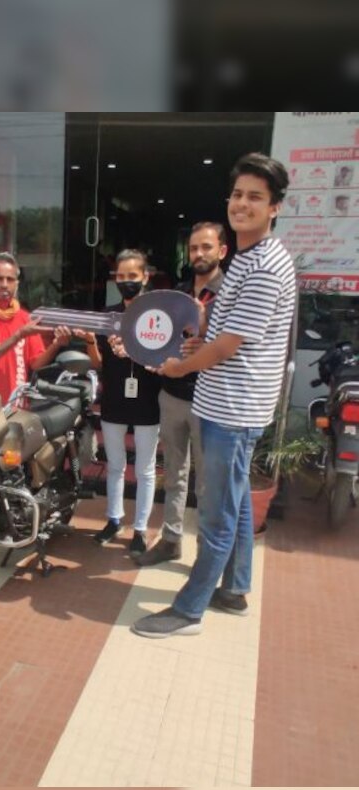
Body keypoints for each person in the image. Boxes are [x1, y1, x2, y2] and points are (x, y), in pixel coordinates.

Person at [133, 152, 297, 638]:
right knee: (238, 502)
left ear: (275, 208)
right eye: (238, 194)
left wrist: (181, 364)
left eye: (256, 197)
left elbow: (227, 346)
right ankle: (234, 588)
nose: (243, 204)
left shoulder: (266, 265)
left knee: (217, 513)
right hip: (225, 404)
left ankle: (189, 609)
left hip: (233, 409)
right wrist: (183, 337)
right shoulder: (247, 258)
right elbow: (216, 329)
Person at [135, 222, 227, 566]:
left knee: (206, 482)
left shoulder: (231, 292)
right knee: (174, 471)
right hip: (172, 394)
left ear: (222, 251)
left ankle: (206, 553)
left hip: (210, 399)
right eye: (193, 248)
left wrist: (205, 330)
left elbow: (229, 347)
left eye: (206, 247)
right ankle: (171, 539)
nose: (199, 254)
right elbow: (162, 338)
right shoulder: (178, 292)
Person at [0, 251, 99, 405]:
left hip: (16, 405)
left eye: (10, 279)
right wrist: (19, 335)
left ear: (17, 284)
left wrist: (56, 344)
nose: (5, 284)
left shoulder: (24, 318)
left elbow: (35, 364)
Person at [97, 250, 164, 558]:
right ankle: (114, 519)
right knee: (115, 465)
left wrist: (133, 351)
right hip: (113, 400)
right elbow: (98, 362)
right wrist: (88, 340)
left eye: (132, 277)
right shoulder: (108, 316)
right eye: (120, 277)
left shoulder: (158, 316)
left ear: (145, 277)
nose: (126, 282)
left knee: (146, 469)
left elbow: (165, 358)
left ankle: (139, 528)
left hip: (148, 399)